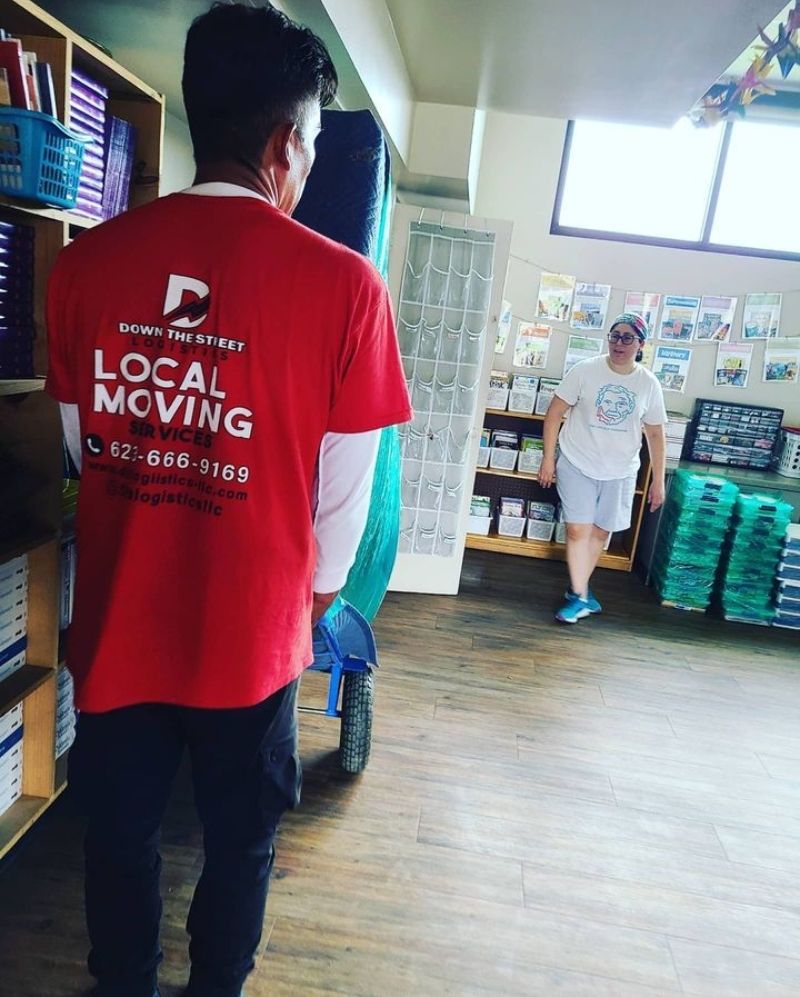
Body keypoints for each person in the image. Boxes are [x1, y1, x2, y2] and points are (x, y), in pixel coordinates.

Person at [45, 4, 412, 996]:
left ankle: (121, 983)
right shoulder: (345, 287)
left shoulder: (82, 265)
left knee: (117, 834)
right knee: (239, 842)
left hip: (120, 618)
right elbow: (344, 491)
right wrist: (314, 604)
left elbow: (86, 443)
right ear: (287, 145)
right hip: (253, 634)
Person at [538, 313, 666, 624]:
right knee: (577, 528)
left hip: (621, 471)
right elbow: (554, 414)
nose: (619, 343)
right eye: (614, 336)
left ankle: (577, 589)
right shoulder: (585, 370)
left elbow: (655, 434)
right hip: (577, 461)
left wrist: (658, 481)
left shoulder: (648, 383)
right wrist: (547, 458)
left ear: (641, 344)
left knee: (600, 532)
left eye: (627, 338)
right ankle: (580, 596)